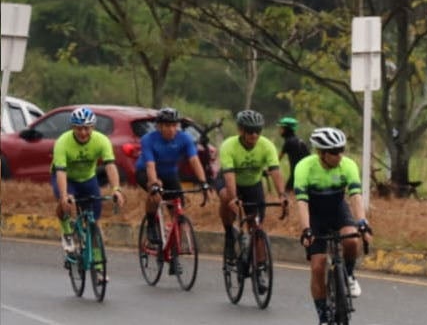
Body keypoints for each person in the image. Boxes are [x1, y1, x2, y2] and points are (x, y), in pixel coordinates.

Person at [295, 127, 370, 325]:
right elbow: (302, 203)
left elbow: (355, 197)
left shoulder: (348, 166)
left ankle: (348, 275)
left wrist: (363, 222)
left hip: (338, 208)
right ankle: (324, 321)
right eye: (334, 152)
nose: (340, 155)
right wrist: (306, 229)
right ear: (321, 153)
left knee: (352, 239)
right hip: (315, 214)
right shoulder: (304, 168)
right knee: (318, 267)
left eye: (341, 150)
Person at [217, 109, 289, 262]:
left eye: (258, 131)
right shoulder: (229, 146)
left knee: (256, 227)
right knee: (226, 197)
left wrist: (282, 195)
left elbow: (275, 171)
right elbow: (229, 175)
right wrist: (234, 198)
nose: (254, 135)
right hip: (230, 181)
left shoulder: (266, 145)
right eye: (250, 131)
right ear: (240, 130)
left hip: (253, 184)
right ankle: (229, 234)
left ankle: (261, 267)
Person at [51, 106, 125, 253]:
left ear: (93, 127)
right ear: (73, 127)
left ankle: (98, 267)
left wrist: (116, 189)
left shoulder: (102, 141)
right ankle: (67, 232)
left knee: (94, 225)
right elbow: (61, 172)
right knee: (66, 202)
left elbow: (110, 166)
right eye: (79, 128)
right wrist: (64, 195)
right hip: (67, 178)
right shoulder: (62, 142)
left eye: (87, 128)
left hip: (88, 179)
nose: (83, 132)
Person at [136, 107, 210, 244]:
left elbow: (194, 160)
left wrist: (203, 182)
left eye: (174, 125)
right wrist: (154, 185)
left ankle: (174, 250)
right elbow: (150, 166)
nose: (171, 129)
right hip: (146, 171)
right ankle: (151, 223)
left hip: (170, 173)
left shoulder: (185, 139)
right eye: (167, 126)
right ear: (159, 126)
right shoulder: (148, 139)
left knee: (178, 208)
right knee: (156, 193)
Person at [278, 116, 310, 192]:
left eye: (281, 128)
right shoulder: (299, 140)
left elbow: (278, 159)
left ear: (286, 129)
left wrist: (269, 169)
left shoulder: (289, 142)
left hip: (296, 174)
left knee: (288, 193)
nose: (279, 130)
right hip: (305, 173)